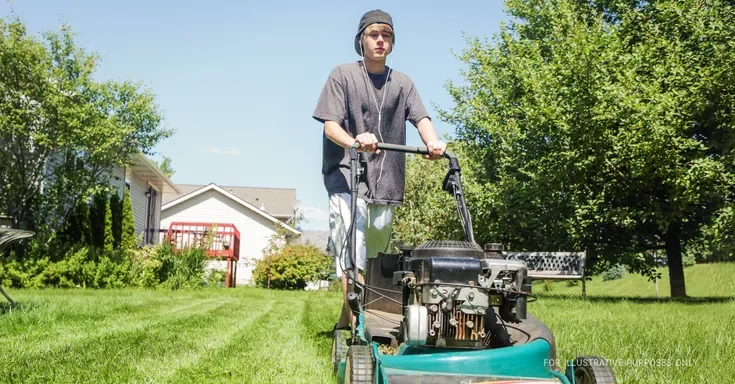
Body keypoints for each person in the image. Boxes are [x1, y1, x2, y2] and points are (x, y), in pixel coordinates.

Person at [312, 9, 447, 331]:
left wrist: (433, 143)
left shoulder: (402, 82)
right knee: (352, 248)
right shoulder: (342, 75)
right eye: (374, 34)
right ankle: (357, 321)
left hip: (386, 180)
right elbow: (331, 126)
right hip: (346, 175)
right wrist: (354, 141)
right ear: (361, 40)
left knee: (375, 256)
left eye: (386, 35)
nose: (380, 40)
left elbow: (421, 118)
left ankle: (349, 317)